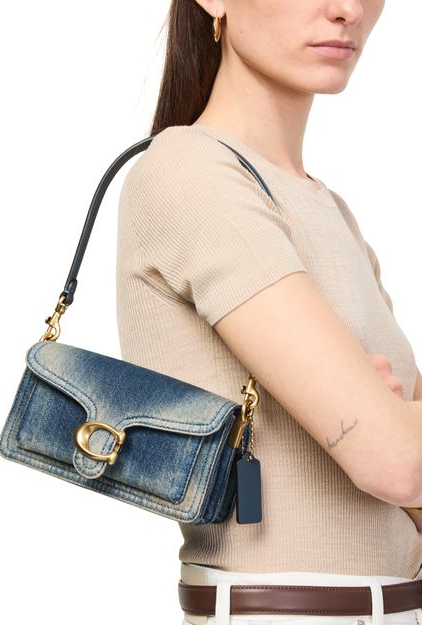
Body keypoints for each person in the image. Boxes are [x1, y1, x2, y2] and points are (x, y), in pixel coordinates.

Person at [115, 1, 422, 624]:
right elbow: (397, 464)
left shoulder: (329, 209)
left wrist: (390, 422)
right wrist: (384, 426)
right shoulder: (190, 169)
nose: (347, 10)